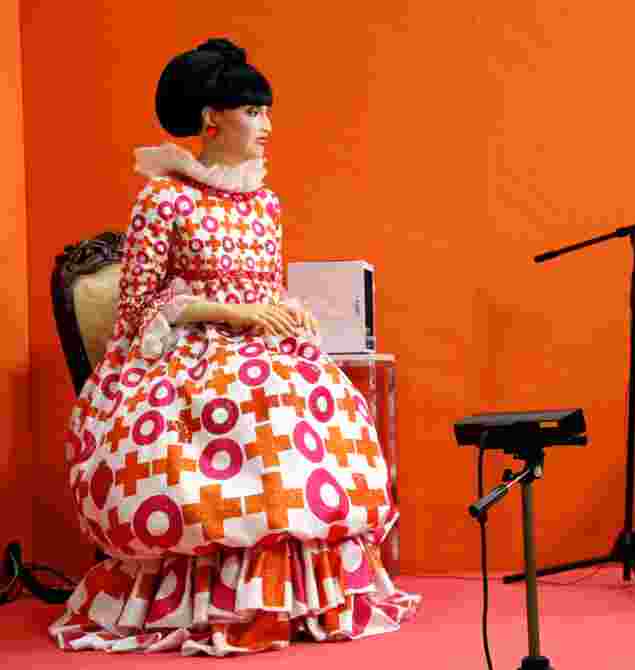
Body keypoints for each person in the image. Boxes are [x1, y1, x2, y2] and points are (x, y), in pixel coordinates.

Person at [50, 38, 419, 655]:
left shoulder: (264, 202)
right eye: (253, 112)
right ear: (209, 118)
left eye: (266, 111)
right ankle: (213, 599)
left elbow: (268, 286)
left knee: (317, 417)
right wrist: (232, 312)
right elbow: (139, 307)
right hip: (186, 354)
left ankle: (292, 600)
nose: (267, 127)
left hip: (260, 349)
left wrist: (283, 313)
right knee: (251, 419)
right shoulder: (164, 196)